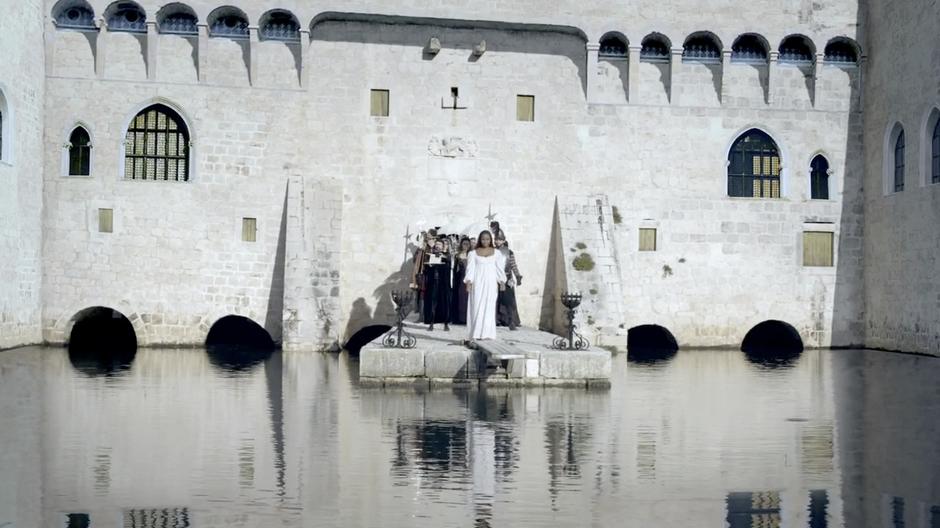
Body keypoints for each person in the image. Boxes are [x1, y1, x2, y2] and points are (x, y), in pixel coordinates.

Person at [464, 230, 506, 341]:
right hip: (477, 283)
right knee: (477, 306)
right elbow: (470, 270)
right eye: (483, 239)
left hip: (491, 283)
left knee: (489, 307)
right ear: (479, 240)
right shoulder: (473, 253)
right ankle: (476, 334)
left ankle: (488, 334)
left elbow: (499, 268)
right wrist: (469, 282)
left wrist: (502, 282)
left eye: (487, 239)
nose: (485, 241)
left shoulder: (497, 253)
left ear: (490, 240)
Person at [418, 237, 451, 331]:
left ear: (442, 246)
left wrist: (442, 258)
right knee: (432, 303)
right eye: (436, 244)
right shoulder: (430, 255)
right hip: (433, 283)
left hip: (443, 283)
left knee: (444, 303)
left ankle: (445, 323)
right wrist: (430, 265)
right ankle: (431, 322)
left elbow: (448, 265)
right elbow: (426, 268)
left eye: (439, 244)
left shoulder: (447, 255)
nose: (437, 246)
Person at [494, 233, 522, 330]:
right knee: (496, 300)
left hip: (507, 277)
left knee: (509, 301)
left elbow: (513, 265)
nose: (497, 241)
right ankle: (496, 320)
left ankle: (511, 321)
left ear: (503, 240)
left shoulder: (509, 252)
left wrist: (517, 276)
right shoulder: (493, 251)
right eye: (496, 239)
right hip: (496, 278)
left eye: (499, 239)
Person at [451, 237, 472, 325]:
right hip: (459, 279)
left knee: (467, 298)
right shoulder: (457, 255)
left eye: (467, 244)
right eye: (464, 244)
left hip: (469, 279)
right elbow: (455, 268)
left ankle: (467, 318)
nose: (466, 246)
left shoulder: (471, 254)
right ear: (461, 245)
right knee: (460, 298)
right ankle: (459, 318)